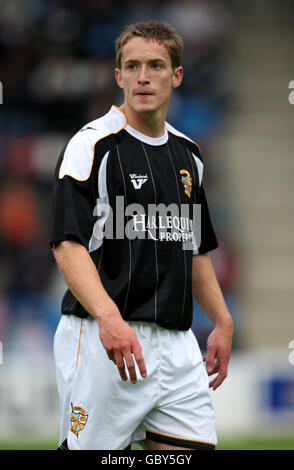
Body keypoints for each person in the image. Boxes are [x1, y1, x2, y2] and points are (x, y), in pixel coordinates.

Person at [50, 20, 233, 451]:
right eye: (131, 67)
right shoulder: (91, 145)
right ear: (118, 77)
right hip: (104, 338)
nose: (143, 76)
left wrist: (222, 320)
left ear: (177, 75)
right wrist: (109, 319)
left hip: (176, 345)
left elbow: (195, 250)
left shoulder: (190, 156)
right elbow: (66, 245)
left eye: (155, 65)